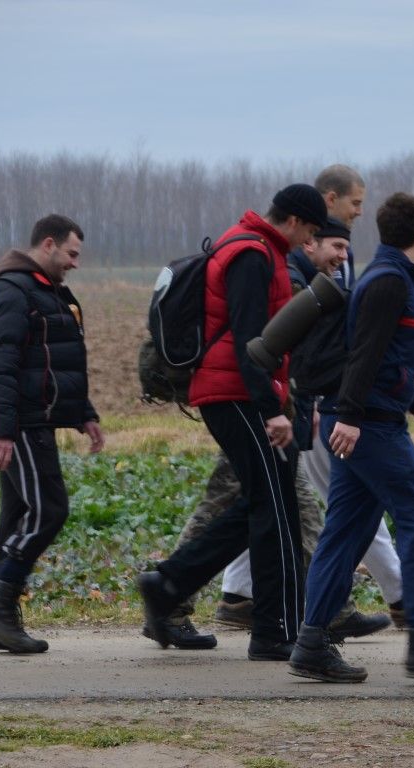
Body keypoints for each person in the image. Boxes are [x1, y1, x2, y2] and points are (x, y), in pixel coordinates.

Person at [217, 165, 414, 632]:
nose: (342, 251)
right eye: (353, 205)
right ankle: (411, 617)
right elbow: (356, 356)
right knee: (406, 517)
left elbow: (368, 357)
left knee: (328, 520)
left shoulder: (349, 279)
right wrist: (324, 410)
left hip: (326, 413)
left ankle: (300, 625)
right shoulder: (358, 281)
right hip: (332, 416)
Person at [289, 192, 414, 682]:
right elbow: (366, 353)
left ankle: (311, 643)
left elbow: (390, 361)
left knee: (346, 532)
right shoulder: (390, 282)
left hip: (363, 420)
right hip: (370, 426)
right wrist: (352, 415)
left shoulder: (389, 277)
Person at [137, 184, 326, 661]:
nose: (309, 240)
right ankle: (273, 632)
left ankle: (169, 583)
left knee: (267, 503)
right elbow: (249, 339)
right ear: (294, 220)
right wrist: (271, 409)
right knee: (274, 510)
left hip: (237, 392)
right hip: (235, 395)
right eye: (310, 230)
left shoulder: (253, 245)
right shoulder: (251, 254)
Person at [0, 214, 106, 653]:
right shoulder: (13, 290)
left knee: (16, 516)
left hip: (35, 418)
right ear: (48, 244)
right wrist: (3, 430)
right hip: (24, 424)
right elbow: (0, 363)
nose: (75, 263)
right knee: (49, 510)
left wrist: (84, 412)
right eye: (71, 253)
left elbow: (58, 359)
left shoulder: (47, 290)